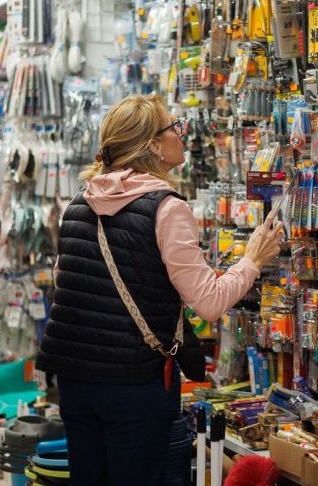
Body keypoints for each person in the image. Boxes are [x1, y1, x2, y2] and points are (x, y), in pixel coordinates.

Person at [36, 94, 284, 485]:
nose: (181, 135)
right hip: (132, 384)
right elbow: (208, 303)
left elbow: (67, 281)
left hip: (74, 378)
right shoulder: (166, 208)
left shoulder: (77, 204)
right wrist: (251, 260)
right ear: (152, 144)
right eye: (175, 128)